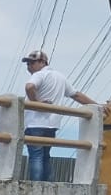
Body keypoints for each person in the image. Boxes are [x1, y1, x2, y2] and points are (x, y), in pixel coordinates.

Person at [22, 50, 97, 181]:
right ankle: (47, 185)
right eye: (28, 63)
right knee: (45, 157)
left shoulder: (40, 74)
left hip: (34, 123)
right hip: (52, 125)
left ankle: (35, 186)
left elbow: (29, 87)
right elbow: (76, 95)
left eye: (32, 63)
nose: (29, 66)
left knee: (36, 156)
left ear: (42, 62)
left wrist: (36, 103)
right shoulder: (60, 77)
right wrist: (98, 106)